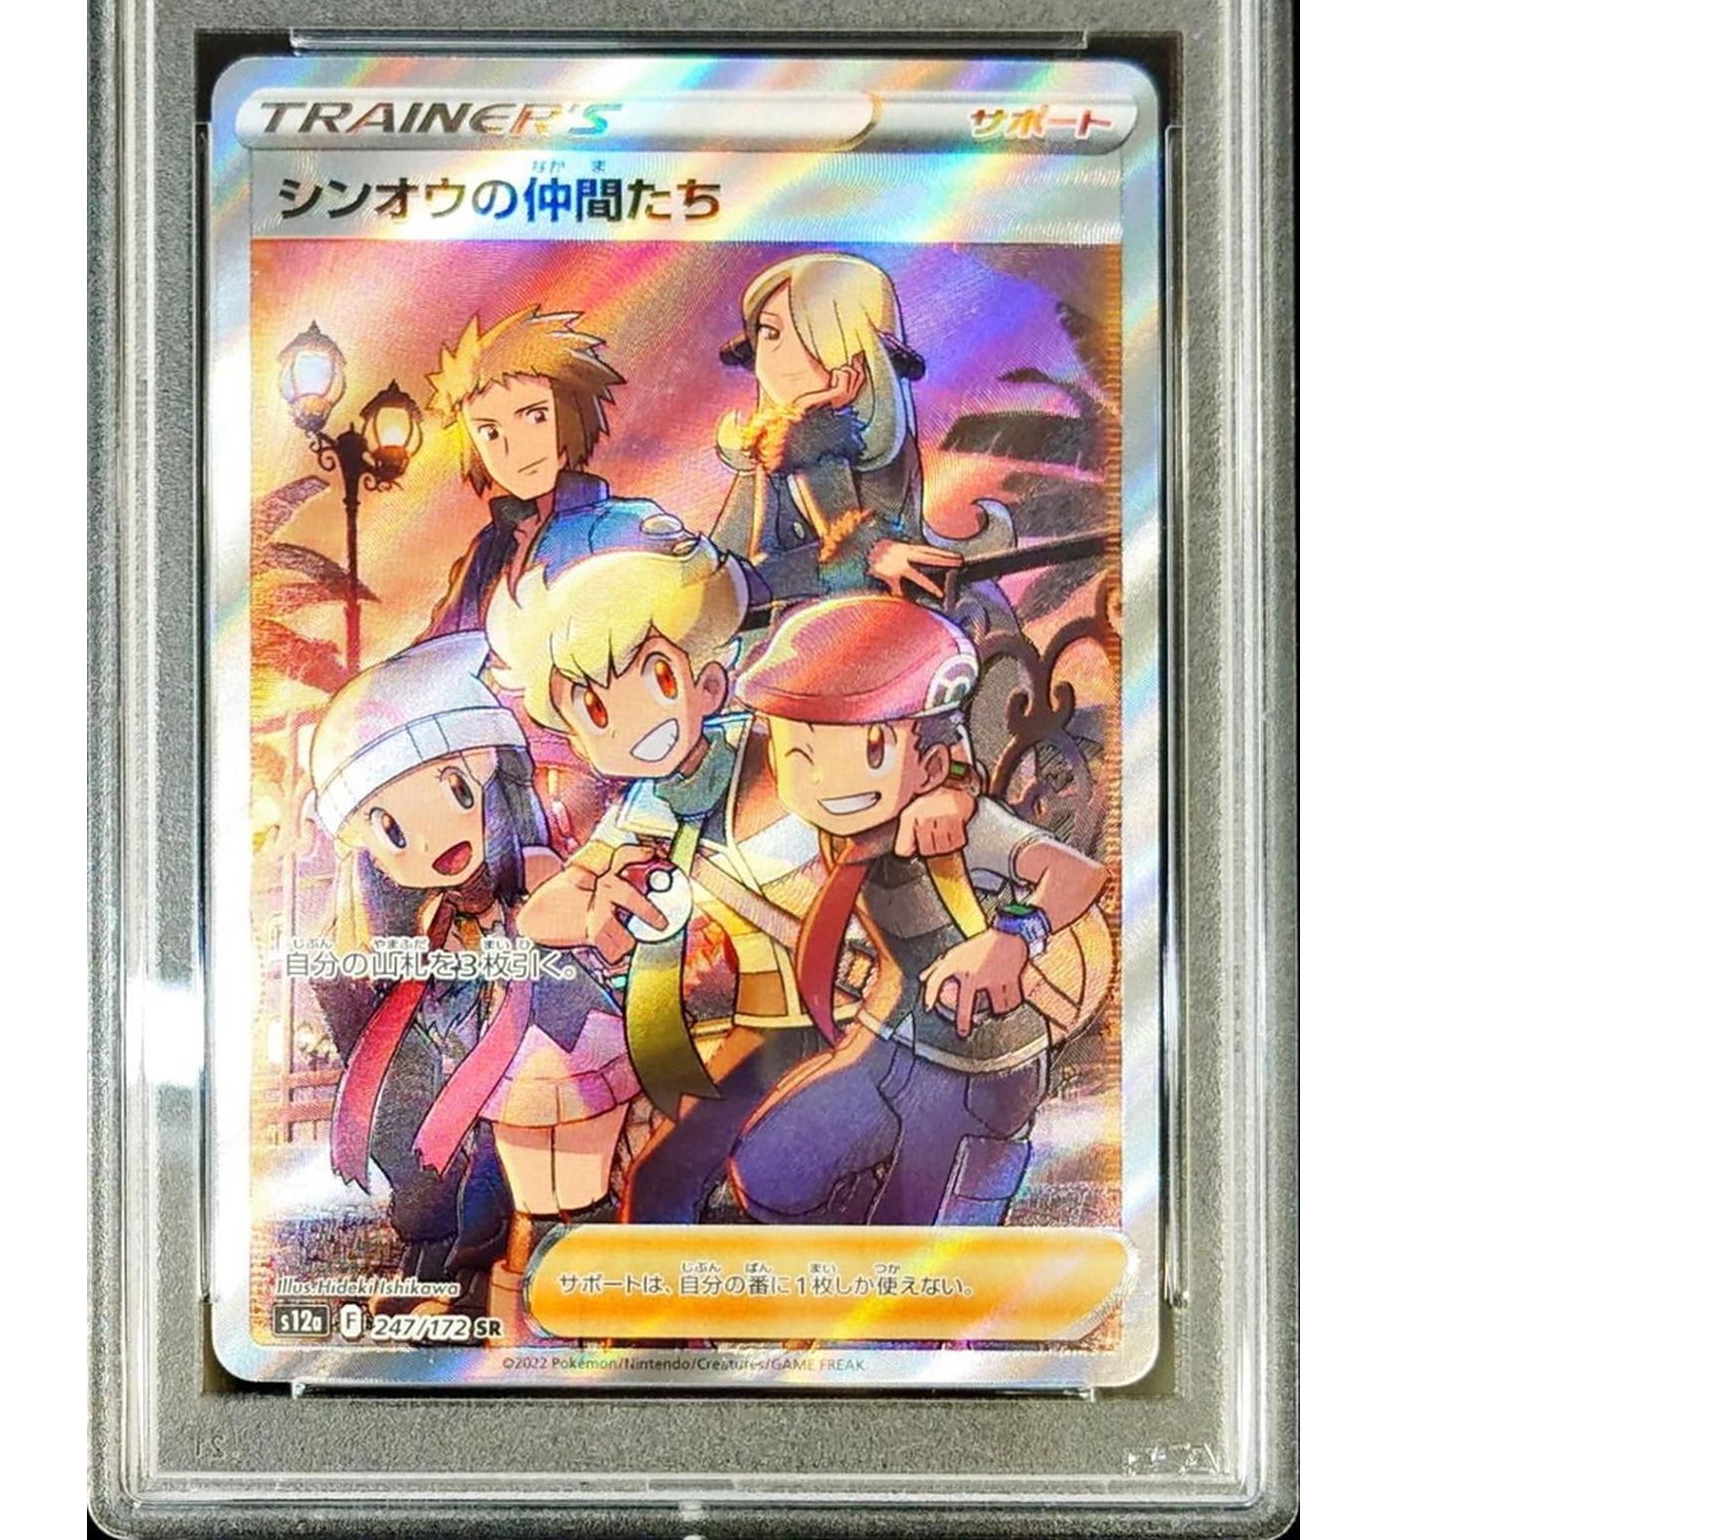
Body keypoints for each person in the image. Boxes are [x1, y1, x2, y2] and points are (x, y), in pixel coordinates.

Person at [488, 541, 974, 1226]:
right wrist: (594, 905)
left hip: (879, 1004)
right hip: (773, 1028)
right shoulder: (647, 810)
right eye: (595, 710)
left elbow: (914, 746)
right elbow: (543, 910)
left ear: (708, 681)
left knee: (799, 1176)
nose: (633, 720)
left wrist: (950, 793)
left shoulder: (781, 736)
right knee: (660, 1185)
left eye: (658, 678)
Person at [726, 594, 1111, 1229]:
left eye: (871, 749)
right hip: (885, 1043)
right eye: (802, 754)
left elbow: (1078, 875)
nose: (827, 779)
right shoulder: (840, 825)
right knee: (771, 1174)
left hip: (981, 1072)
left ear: (930, 759)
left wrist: (1013, 937)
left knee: (923, 1252)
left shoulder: (960, 827)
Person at [307, 634, 648, 1333]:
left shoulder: (538, 872)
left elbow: (571, 928)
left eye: (456, 792)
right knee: (520, 1195)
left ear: (489, 773)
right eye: (394, 831)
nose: (437, 838)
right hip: (496, 1074)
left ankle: (578, 1305)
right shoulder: (434, 920)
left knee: (568, 1192)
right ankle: (505, 1302)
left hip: (568, 1042)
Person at [710, 252, 1011, 606]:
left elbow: (855, 553)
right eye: (770, 334)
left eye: (814, 334)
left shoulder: (877, 446)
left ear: (858, 350)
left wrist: (814, 423)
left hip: (885, 614)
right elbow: (734, 576)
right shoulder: (777, 452)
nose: (785, 358)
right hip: (800, 624)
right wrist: (867, 555)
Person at [422, 305, 690, 638]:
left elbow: (703, 600)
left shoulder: (628, 524)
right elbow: (443, 644)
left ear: (571, 410)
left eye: (535, 416)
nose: (515, 448)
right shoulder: (488, 550)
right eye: (490, 432)